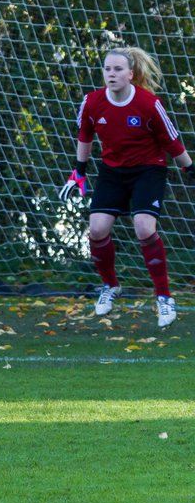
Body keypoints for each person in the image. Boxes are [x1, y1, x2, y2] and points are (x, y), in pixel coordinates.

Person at [58, 46, 193, 328]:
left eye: (118, 69)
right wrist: (78, 172)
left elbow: (171, 141)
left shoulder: (148, 104)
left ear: (131, 74)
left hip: (149, 170)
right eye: (107, 69)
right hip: (112, 172)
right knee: (97, 229)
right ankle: (110, 286)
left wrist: (190, 168)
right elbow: (85, 136)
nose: (112, 74)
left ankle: (164, 298)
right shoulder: (93, 102)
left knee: (144, 228)